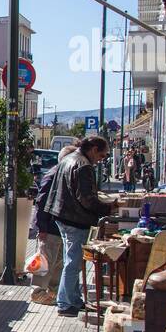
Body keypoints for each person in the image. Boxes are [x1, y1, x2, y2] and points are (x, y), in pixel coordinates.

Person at [48, 135, 115, 317]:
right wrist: (107, 208)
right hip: (75, 219)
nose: (100, 161)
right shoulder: (83, 165)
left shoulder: (68, 159)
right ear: (93, 149)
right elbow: (86, 199)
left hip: (63, 216)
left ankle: (74, 300)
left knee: (71, 260)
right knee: (73, 262)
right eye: (101, 156)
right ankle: (65, 303)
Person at [29, 145, 78, 305]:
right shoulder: (54, 175)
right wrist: (41, 227)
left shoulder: (62, 174)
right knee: (45, 260)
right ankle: (37, 292)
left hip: (57, 227)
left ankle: (53, 291)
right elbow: (41, 202)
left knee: (57, 262)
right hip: (49, 227)